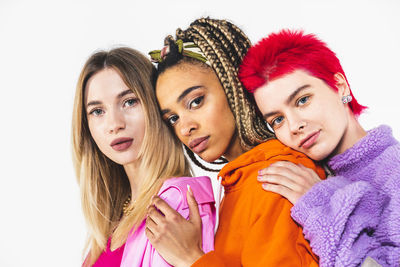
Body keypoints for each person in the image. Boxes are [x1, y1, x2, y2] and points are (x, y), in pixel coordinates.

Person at [145, 18, 326, 267]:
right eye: (173, 118)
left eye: (196, 101)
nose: (185, 128)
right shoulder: (240, 181)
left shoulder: (277, 175)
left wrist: (191, 258)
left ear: (234, 84)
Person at [239, 29, 400, 267]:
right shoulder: (296, 174)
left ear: (340, 87)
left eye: (302, 100)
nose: (294, 126)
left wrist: (321, 203)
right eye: (277, 120)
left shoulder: (394, 171)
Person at [71, 47, 215, 267]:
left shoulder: (177, 204)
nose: (115, 124)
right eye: (97, 111)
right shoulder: (112, 221)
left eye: (129, 102)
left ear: (155, 107)